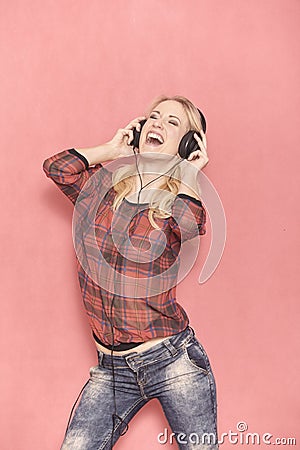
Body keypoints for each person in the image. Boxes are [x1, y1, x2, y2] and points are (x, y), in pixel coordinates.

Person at [42, 95, 219, 449]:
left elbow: (189, 224)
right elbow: (57, 167)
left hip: (172, 361)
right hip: (111, 369)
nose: (157, 123)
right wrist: (111, 148)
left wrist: (187, 172)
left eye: (172, 123)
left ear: (187, 144)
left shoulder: (177, 205)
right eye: (153, 116)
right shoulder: (100, 192)